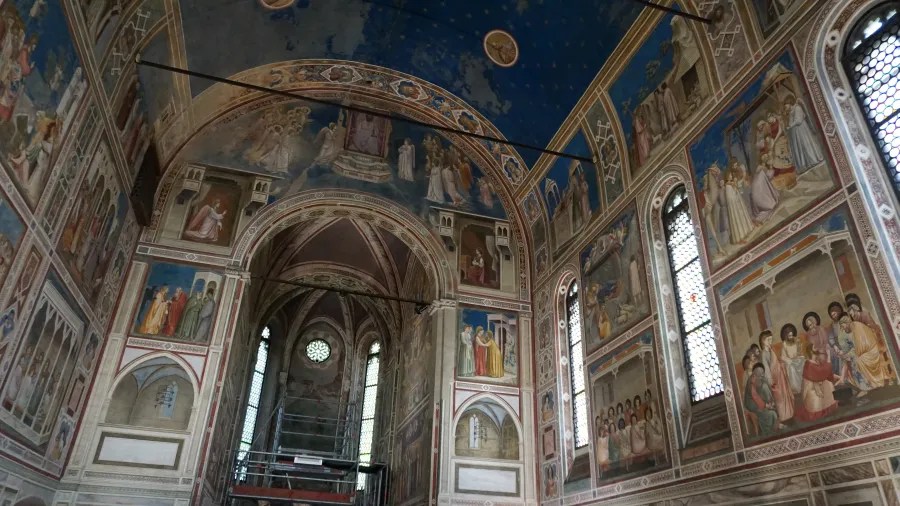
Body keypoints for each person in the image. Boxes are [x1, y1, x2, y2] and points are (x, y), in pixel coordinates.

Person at [795, 349, 839, 422]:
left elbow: (823, 373)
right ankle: (818, 413)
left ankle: (828, 408)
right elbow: (815, 377)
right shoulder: (809, 364)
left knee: (829, 385)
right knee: (816, 398)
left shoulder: (817, 361)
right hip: (811, 387)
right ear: (812, 352)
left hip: (819, 382)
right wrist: (818, 390)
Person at [784, 96, 824, 172]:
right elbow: (791, 121)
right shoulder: (791, 111)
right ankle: (806, 164)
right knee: (801, 147)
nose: (785, 107)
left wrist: (790, 126)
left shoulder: (797, 108)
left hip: (802, 130)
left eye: (785, 105)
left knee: (806, 144)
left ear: (789, 103)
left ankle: (813, 160)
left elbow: (798, 120)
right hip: (796, 132)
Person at [743, 363, 781, 435]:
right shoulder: (751, 381)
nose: (762, 375)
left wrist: (771, 400)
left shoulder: (762, 378)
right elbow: (755, 397)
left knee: (765, 387)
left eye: (762, 373)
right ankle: (768, 431)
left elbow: (768, 388)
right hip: (752, 404)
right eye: (759, 373)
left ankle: (775, 425)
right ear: (755, 373)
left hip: (762, 402)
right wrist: (766, 405)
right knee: (771, 414)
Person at [780, 324, 805, 395]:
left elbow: (799, 352)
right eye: (789, 336)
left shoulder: (796, 340)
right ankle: (796, 389)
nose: (791, 337)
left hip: (797, 360)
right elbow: (782, 356)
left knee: (804, 362)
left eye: (792, 335)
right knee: (791, 368)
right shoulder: (784, 344)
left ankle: (805, 385)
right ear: (786, 336)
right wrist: (789, 360)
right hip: (790, 362)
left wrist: (800, 349)